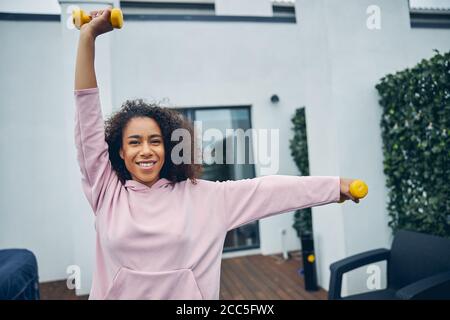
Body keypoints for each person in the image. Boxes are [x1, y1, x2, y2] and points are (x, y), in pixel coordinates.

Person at [74, 8, 361, 300]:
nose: (146, 150)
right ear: (120, 151)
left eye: (155, 141)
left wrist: (332, 186)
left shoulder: (203, 197)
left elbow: (268, 190)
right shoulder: (106, 192)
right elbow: (87, 121)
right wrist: (88, 38)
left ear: (169, 148)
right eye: (135, 142)